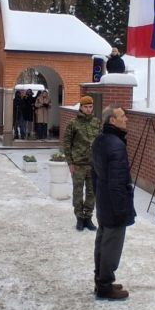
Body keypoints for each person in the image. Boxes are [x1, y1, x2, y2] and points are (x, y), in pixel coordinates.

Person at [90, 105, 135, 300]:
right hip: (113, 204)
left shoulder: (100, 141)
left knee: (102, 240)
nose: (126, 119)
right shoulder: (116, 145)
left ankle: (101, 280)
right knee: (111, 245)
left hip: (104, 201)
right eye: (122, 116)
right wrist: (121, 210)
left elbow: (94, 174)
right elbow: (117, 182)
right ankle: (105, 286)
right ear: (112, 121)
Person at [63, 95, 100, 231]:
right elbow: (67, 143)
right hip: (78, 164)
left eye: (90, 107)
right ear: (81, 107)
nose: (88, 109)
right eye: (86, 107)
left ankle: (88, 217)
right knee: (78, 192)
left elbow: (100, 142)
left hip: (93, 165)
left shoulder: (97, 122)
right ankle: (79, 218)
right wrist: (70, 162)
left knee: (92, 193)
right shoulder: (73, 123)